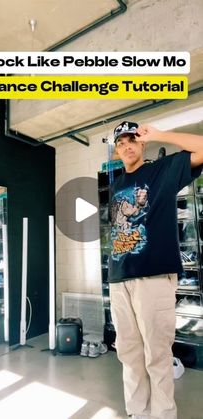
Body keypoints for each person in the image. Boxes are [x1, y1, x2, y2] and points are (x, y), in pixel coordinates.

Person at [108, 121, 203, 419]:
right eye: (121, 142)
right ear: (116, 149)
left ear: (142, 142)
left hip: (153, 278)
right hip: (119, 279)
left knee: (157, 356)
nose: (126, 145)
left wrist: (161, 135)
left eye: (132, 139)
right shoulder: (116, 185)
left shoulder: (163, 170)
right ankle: (137, 412)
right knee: (129, 354)